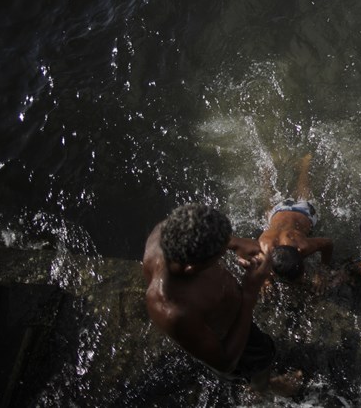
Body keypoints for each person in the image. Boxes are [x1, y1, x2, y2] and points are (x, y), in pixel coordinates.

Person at [142, 204, 302, 395]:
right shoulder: (173, 310)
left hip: (230, 312)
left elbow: (203, 231)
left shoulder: (167, 232)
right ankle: (263, 389)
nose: (223, 253)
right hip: (230, 339)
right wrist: (249, 294)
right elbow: (225, 362)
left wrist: (236, 244)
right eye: (218, 255)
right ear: (192, 268)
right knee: (261, 360)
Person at [258, 154, 334, 281]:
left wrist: (322, 271)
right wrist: (266, 279)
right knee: (270, 203)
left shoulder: (302, 246)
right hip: (277, 211)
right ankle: (270, 168)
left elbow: (328, 243)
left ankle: (304, 163)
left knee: (302, 188)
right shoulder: (265, 243)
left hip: (303, 211)